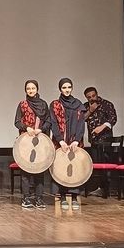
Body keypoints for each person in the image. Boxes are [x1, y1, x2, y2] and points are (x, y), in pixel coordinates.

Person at [49, 78, 86, 210]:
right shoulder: (55, 105)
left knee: (75, 167)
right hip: (61, 142)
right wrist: (60, 140)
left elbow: (82, 124)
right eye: (64, 87)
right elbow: (53, 123)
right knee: (61, 168)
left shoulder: (79, 104)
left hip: (75, 141)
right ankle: (63, 196)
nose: (67, 90)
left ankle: (75, 196)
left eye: (69, 87)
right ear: (60, 89)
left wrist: (77, 139)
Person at [14, 80, 51, 209]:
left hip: (40, 140)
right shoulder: (22, 104)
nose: (31, 91)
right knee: (25, 171)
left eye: (33, 88)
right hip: (25, 141)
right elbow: (17, 122)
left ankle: (39, 198)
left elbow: (48, 121)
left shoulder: (43, 104)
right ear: (25, 90)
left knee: (39, 170)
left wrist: (41, 129)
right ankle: (26, 198)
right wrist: (26, 128)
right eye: (28, 89)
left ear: (37, 89)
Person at [83, 86, 118, 197]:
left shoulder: (107, 104)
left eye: (93, 96)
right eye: (89, 97)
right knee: (96, 164)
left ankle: (107, 188)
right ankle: (99, 188)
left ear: (97, 94)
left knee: (106, 163)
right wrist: (90, 110)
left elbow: (113, 119)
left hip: (106, 140)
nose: (92, 98)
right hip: (94, 141)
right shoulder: (85, 106)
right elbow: (82, 119)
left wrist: (101, 127)